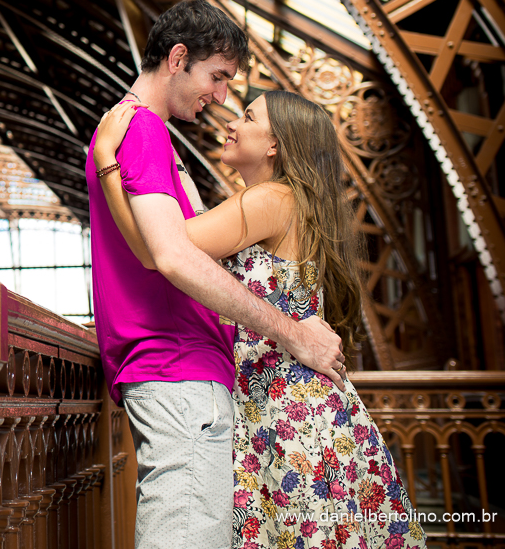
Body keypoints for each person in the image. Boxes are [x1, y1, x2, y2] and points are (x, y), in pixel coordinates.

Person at [95, 91, 426, 549]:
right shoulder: (283, 201)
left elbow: (163, 248)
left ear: (275, 144)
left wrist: (107, 166)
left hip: (287, 412)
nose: (232, 123)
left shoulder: (269, 200)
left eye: (248, 117)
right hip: (298, 407)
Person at [87, 0, 346, 549]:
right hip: (179, 371)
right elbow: (172, 255)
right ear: (178, 58)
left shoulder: (136, 133)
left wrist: (111, 167)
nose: (223, 98)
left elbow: (167, 248)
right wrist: (293, 331)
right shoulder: (144, 131)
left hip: (182, 372)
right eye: (218, 76)